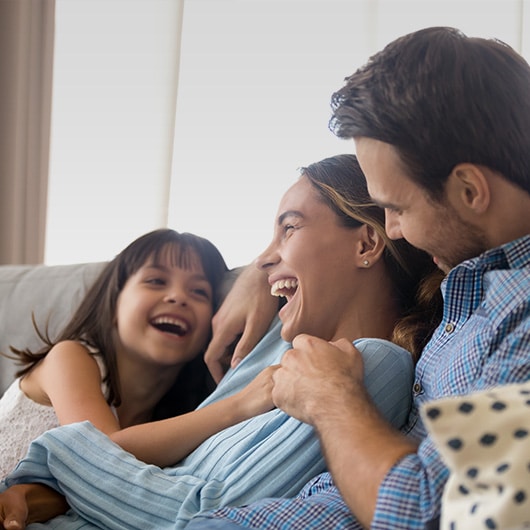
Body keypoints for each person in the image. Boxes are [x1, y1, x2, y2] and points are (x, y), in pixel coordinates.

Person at [185, 26, 530, 530]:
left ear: (470, 190)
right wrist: (259, 275)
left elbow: (445, 517)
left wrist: (332, 398)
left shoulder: (519, 319)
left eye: (396, 208)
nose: (393, 231)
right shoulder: (463, 285)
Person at [0, 154, 443, 529]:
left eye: (288, 228)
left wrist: (56, 455)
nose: (264, 259)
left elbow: (205, 512)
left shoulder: (366, 366)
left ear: (367, 244)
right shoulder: (283, 346)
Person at [0, 228, 233, 479]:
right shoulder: (70, 356)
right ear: (113, 303)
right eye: (156, 281)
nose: (178, 297)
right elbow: (100, 452)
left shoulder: (168, 423)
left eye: (199, 291)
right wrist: (239, 405)